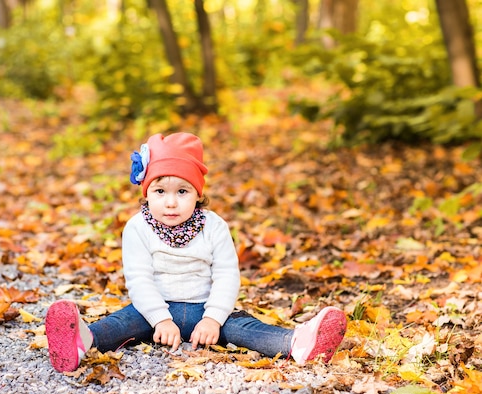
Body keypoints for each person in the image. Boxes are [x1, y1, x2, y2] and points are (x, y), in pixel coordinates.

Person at [45, 132, 347, 372]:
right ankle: (81, 341)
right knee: (121, 323)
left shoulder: (213, 226)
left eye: (182, 191)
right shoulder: (137, 228)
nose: (171, 202)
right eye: (160, 192)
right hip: (153, 310)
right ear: (146, 192)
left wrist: (214, 319)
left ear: (198, 194)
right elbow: (139, 280)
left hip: (207, 308)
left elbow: (227, 275)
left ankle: (298, 343)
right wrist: (160, 319)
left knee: (245, 329)